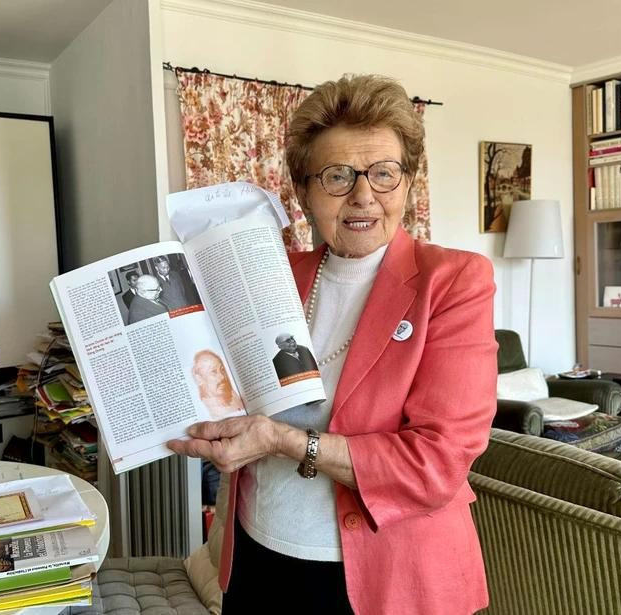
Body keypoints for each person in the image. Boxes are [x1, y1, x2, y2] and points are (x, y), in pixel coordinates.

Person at [168, 74, 497, 614]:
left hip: (385, 578)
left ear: (407, 183)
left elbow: (437, 463)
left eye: (384, 173)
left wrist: (284, 441)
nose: (364, 195)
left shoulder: (453, 281)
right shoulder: (272, 273)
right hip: (256, 556)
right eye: (337, 176)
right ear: (304, 193)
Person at [192, 350, 245, 419]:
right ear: (199, 379)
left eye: (222, 370)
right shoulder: (204, 411)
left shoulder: (235, 396)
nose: (222, 377)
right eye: (213, 372)